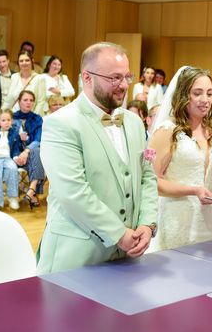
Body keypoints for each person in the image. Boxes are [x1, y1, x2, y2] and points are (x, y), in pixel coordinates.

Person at [36, 42, 157, 274]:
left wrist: (147, 224)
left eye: (126, 77)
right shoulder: (61, 123)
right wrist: (119, 233)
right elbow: (73, 192)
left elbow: (147, 177)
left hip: (127, 258)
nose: (123, 85)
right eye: (114, 78)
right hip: (76, 258)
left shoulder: (132, 122)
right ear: (87, 78)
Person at [147, 65, 212, 251]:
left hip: (211, 222)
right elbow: (151, 181)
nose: (205, 100)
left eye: (209, 93)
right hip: (178, 220)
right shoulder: (167, 131)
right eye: (197, 93)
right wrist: (193, 190)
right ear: (184, 95)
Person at [12, 90, 46, 208]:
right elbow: (6, 140)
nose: (28, 103)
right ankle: (32, 192)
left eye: (31, 100)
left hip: (31, 155)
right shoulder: (11, 117)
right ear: (19, 101)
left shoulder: (37, 119)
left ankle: (31, 189)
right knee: (37, 154)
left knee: (37, 150)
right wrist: (17, 154)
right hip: (14, 155)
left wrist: (26, 151)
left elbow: (38, 139)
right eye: (25, 100)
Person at [4, 50, 47, 116]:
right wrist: (1, 115)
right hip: (15, 117)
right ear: (18, 63)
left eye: (27, 60)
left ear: (32, 61)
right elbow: (9, 100)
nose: (24, 63)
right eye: (21, 61)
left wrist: (33, 119)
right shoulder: (14, 77)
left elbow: (40, 102)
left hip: (32, 118)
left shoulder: (40, 78)